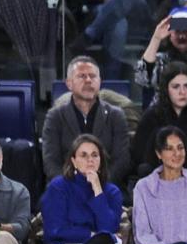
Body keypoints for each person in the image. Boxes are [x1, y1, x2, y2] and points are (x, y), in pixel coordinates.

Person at [41, 56, 132, 192]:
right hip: (66, 189)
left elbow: (121, 161)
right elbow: (50, 162)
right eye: (82, 76)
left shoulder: (116, 116)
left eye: (92, 76)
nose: (88, 80)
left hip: (106, 188)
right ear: (69, 83)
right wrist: (72, 188)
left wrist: (97, 186)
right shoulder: (55, 116)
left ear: (100, 82)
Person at [129, 62, 187, 178]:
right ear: (166, 89)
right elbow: (139, 156)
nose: (182, 92)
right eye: (176, 87)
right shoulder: (151, 117)